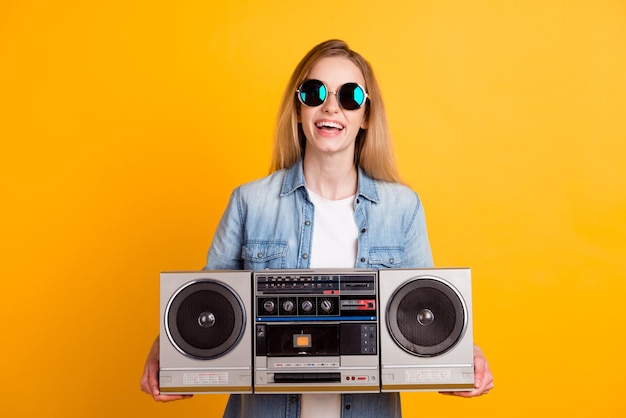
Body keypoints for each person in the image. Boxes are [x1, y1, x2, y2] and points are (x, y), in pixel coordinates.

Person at [140, 39, 494, 417]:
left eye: (350, 96)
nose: (330, 107)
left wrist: (462, 353)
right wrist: (170, 347)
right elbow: (207, 305)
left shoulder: (403, 208)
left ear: (367, 115)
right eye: (315, 92)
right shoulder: (249, 202)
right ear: (297, 107)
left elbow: (425, 313)